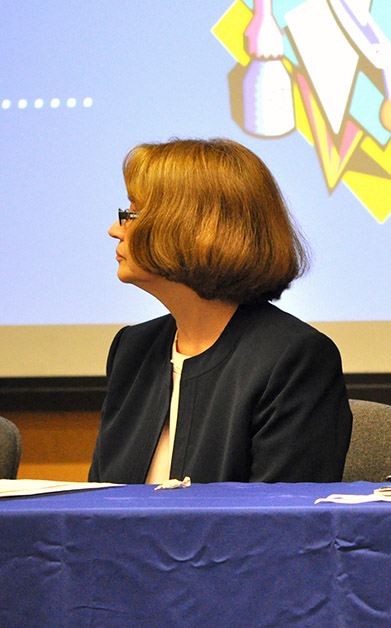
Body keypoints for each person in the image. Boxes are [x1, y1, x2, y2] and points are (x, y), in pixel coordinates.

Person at [89, 138, 352, 484]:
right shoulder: (132, 349)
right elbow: (100, 501)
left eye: (131, 214)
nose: (115, 230)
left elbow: (282, 514)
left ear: (192, 227)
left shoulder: (294, 359)